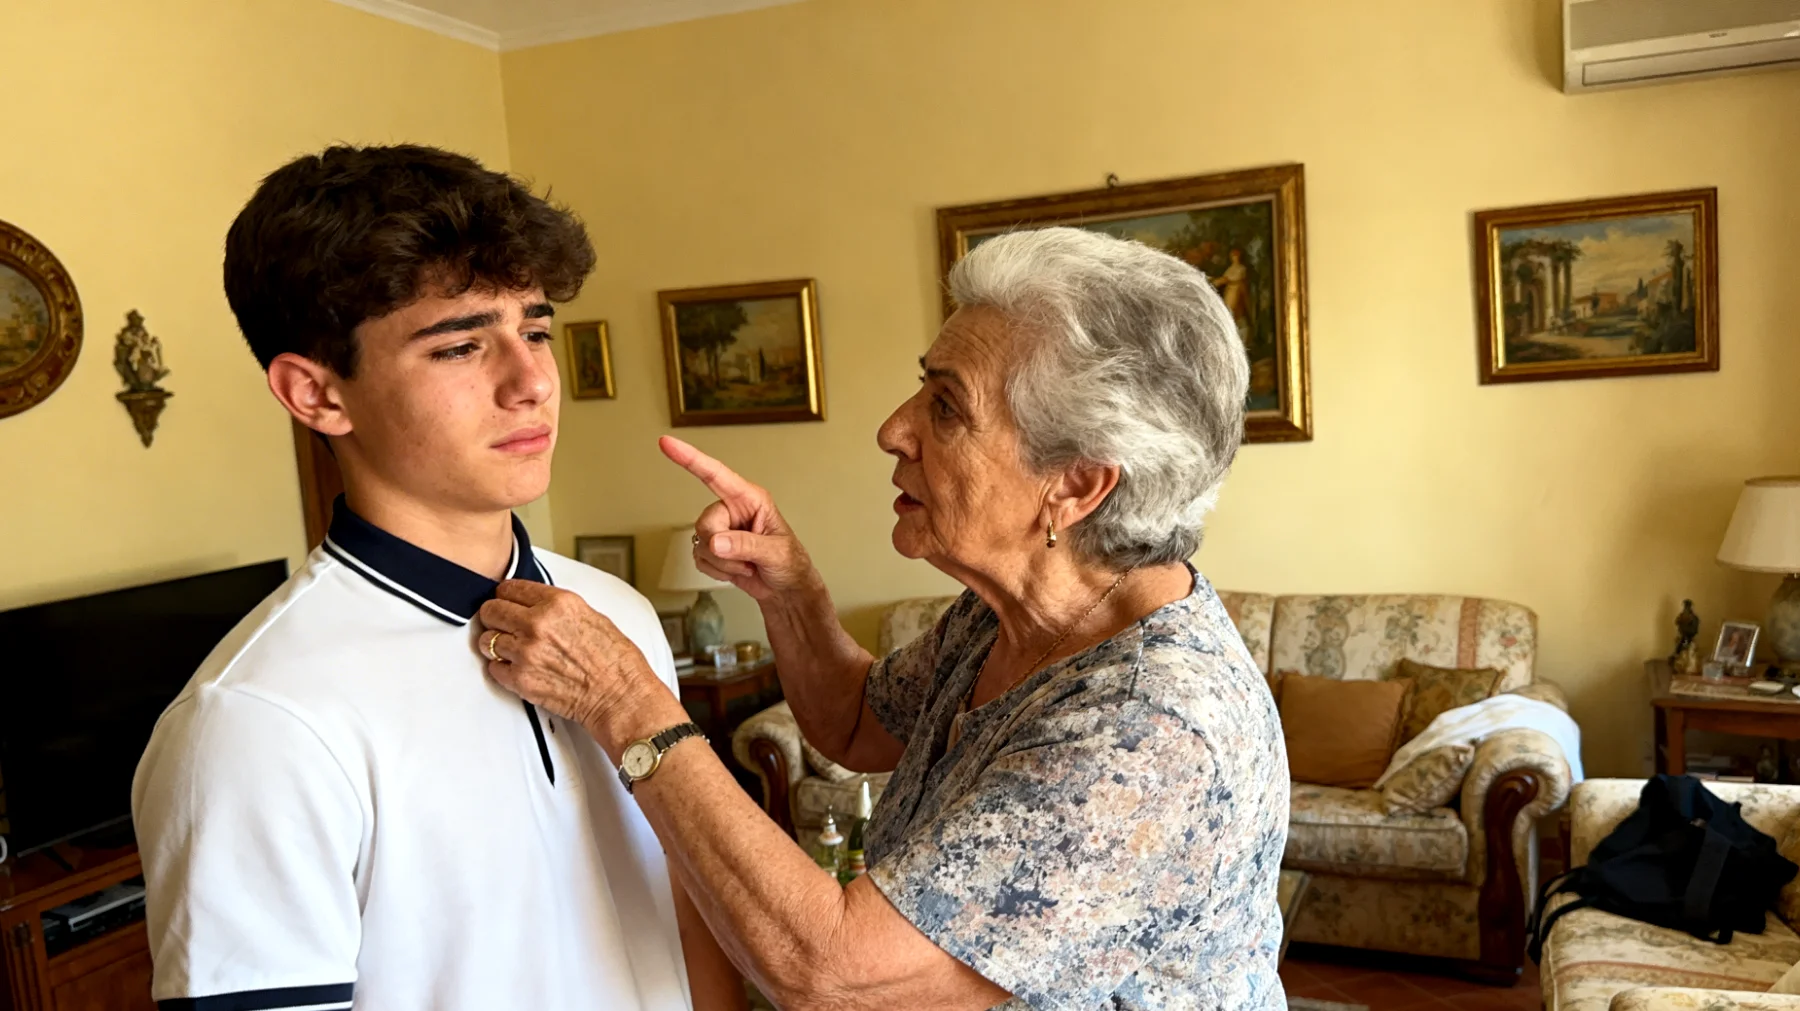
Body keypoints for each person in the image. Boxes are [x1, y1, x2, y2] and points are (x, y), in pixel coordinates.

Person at [479, 227, 1290, 1010]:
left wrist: (627, 701)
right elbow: (860, 719)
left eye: (946, 407)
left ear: (1076, 486)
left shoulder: (1151, 729)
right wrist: (791, 594)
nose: (892, 429)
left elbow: (837, 976)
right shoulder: (1016, 614)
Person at [131, 145, 742, 1011]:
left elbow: (685, 901)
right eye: (460, 346)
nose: (532, 380)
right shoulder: (256, 721)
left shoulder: (620, 612)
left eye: (534, 328)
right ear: (316, 394)